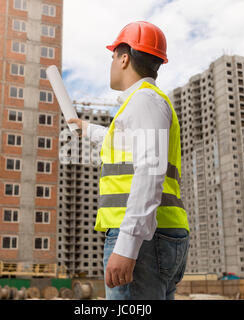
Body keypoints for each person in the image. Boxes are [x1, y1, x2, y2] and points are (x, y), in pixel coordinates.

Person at [68, 21, 190, 300]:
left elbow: (150, 171)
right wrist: (87, 130)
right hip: (156, 235)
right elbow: (126, 145)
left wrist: (127, 245)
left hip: (144, 237)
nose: (111, 63)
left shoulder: (144, 101)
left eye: (113, 56)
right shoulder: (144, 102)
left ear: (124, 58)